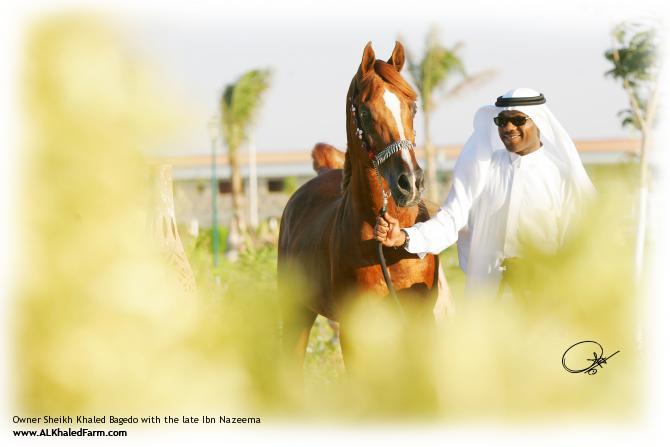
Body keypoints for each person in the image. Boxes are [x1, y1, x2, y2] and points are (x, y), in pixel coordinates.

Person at [375, 88, 595, 298]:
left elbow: (580, 244)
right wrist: (404, 236)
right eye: (502, 121)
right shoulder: (482, 169)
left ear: (540, 123)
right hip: (489, 298)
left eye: (518, 120)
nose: (508, 127)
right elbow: (450, 221)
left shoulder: (562, 177)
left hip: (543, 298)